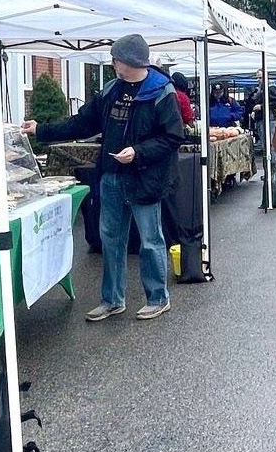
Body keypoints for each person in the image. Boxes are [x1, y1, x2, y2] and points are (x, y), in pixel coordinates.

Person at [23, 34, 181, 322]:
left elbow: (172, 137)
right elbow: (82, 123)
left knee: (150, 240)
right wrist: (41, 130)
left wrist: (138, 152)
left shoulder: (161, 92)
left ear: (128, 61)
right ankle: (112, 300)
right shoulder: (111, 90)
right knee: (110, 240)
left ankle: (158, 298)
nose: (112, 63)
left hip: (145, 179)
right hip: (111, 177)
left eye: (115, 59)